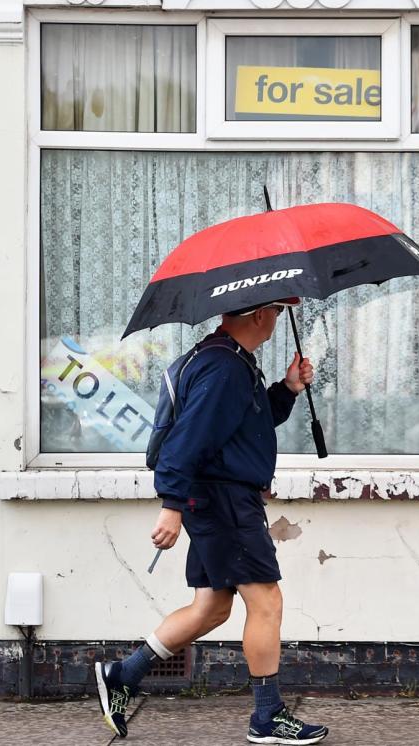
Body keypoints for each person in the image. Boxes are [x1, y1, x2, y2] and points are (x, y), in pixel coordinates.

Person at [95, 299, 329, 745]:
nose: (279, 321)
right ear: (259, 315)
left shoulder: (230, 360)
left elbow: (249, 423)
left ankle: (123, 675)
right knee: (267, 601)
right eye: (278, 312)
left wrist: (288, 388)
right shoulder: (224, 368)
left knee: (212, 608)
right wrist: (171, 504)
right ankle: (268, 717)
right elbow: (188, 441)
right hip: (223, 501)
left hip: (216, 498)